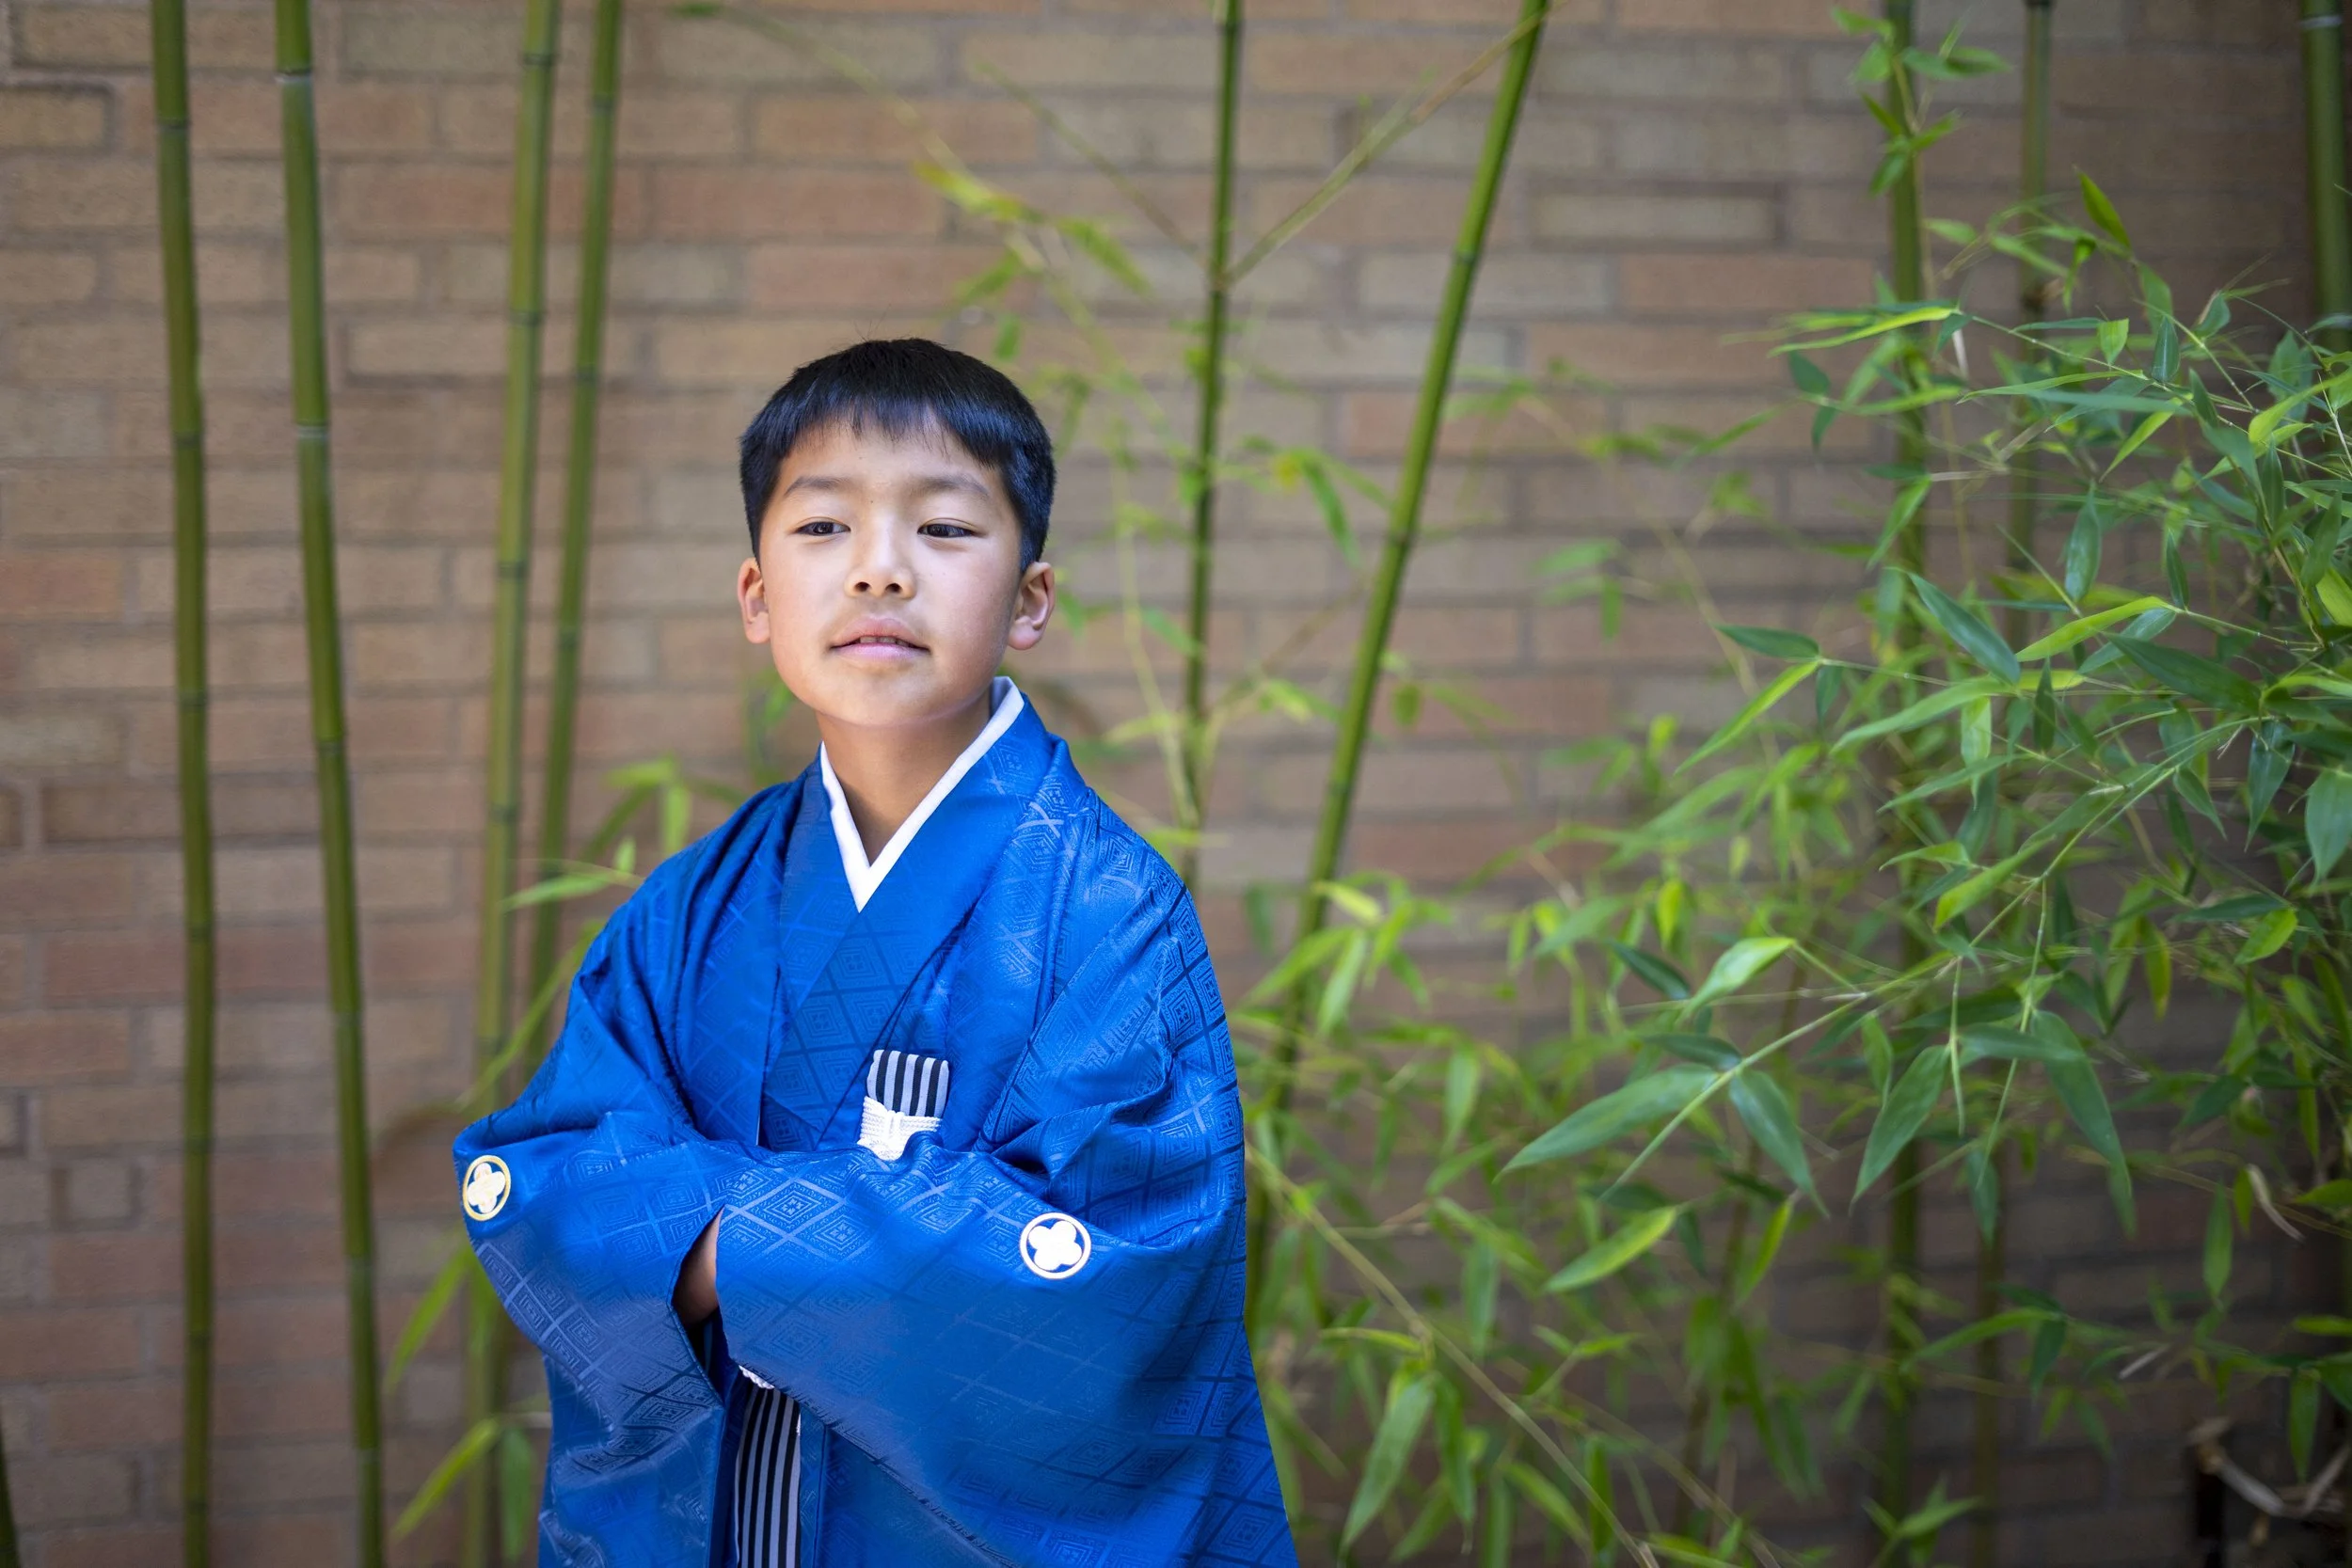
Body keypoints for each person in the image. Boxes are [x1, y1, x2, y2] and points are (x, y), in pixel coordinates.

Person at [453, 338, 1296, 1568]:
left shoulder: (1107, 910)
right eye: (824, 530)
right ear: (755, 597)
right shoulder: (690, 906)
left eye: (946, 531)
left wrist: (715, 1243)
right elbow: (546, 1176)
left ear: (1030, 598)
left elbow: (1113, 1263)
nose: (880, 572)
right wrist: (849, 1247)